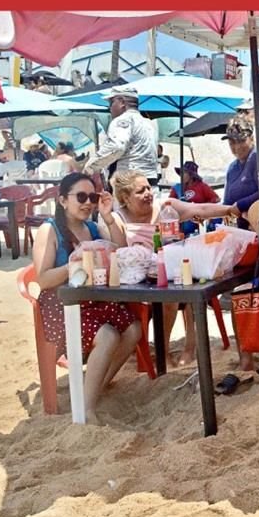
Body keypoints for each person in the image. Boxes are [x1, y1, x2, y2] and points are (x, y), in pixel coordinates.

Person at [31, 172, 142, 424]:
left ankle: (92, 389)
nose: (87, 202)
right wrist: (75, 264)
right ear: (62, 200)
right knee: (108, 335)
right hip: (61, 304)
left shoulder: (92, 227)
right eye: (80, 196)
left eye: (91, 197)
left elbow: (121, 251)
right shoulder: (49, 230)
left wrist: (107, 217)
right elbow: (43, 279)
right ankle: (87, 410)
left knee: (134, 329)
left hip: (92, 300)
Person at [105, 170, 236, 365]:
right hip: (138, 283)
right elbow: (120, 253)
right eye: (141, 191)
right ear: (125, 197)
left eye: (149, 187)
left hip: (170, 275)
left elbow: (200, 210)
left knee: (185, 287)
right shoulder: (117, 219)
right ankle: (160, 353)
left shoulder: (166, 208)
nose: (148, 193)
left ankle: (181, 349)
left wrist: (229, 210)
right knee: (171, 293)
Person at [84, 86, 159, 185]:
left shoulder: (123, 120)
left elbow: (117, 146)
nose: (109, 108)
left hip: (130, 183)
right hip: (150, 183)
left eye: (111, 102)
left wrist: (90, 166)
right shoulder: (149, 123)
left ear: (122, 102)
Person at [222, 110, 259, 230]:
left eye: (241, 141)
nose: (237, 147)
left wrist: (240, 205)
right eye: (232, 142)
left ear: (252, 139)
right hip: (241, 232)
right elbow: (227, 204)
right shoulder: (232, 169)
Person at [169, 161, 221, 236]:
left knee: (217, 218)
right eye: (181, 173)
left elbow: (216, 199)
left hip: (200, 216)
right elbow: (169, 204)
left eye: (184, 173)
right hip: (184, 218)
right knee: (187, 225)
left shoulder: (201, 186)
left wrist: (202, 208)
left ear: (191, 175)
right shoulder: (177, 188)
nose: (181, 175)